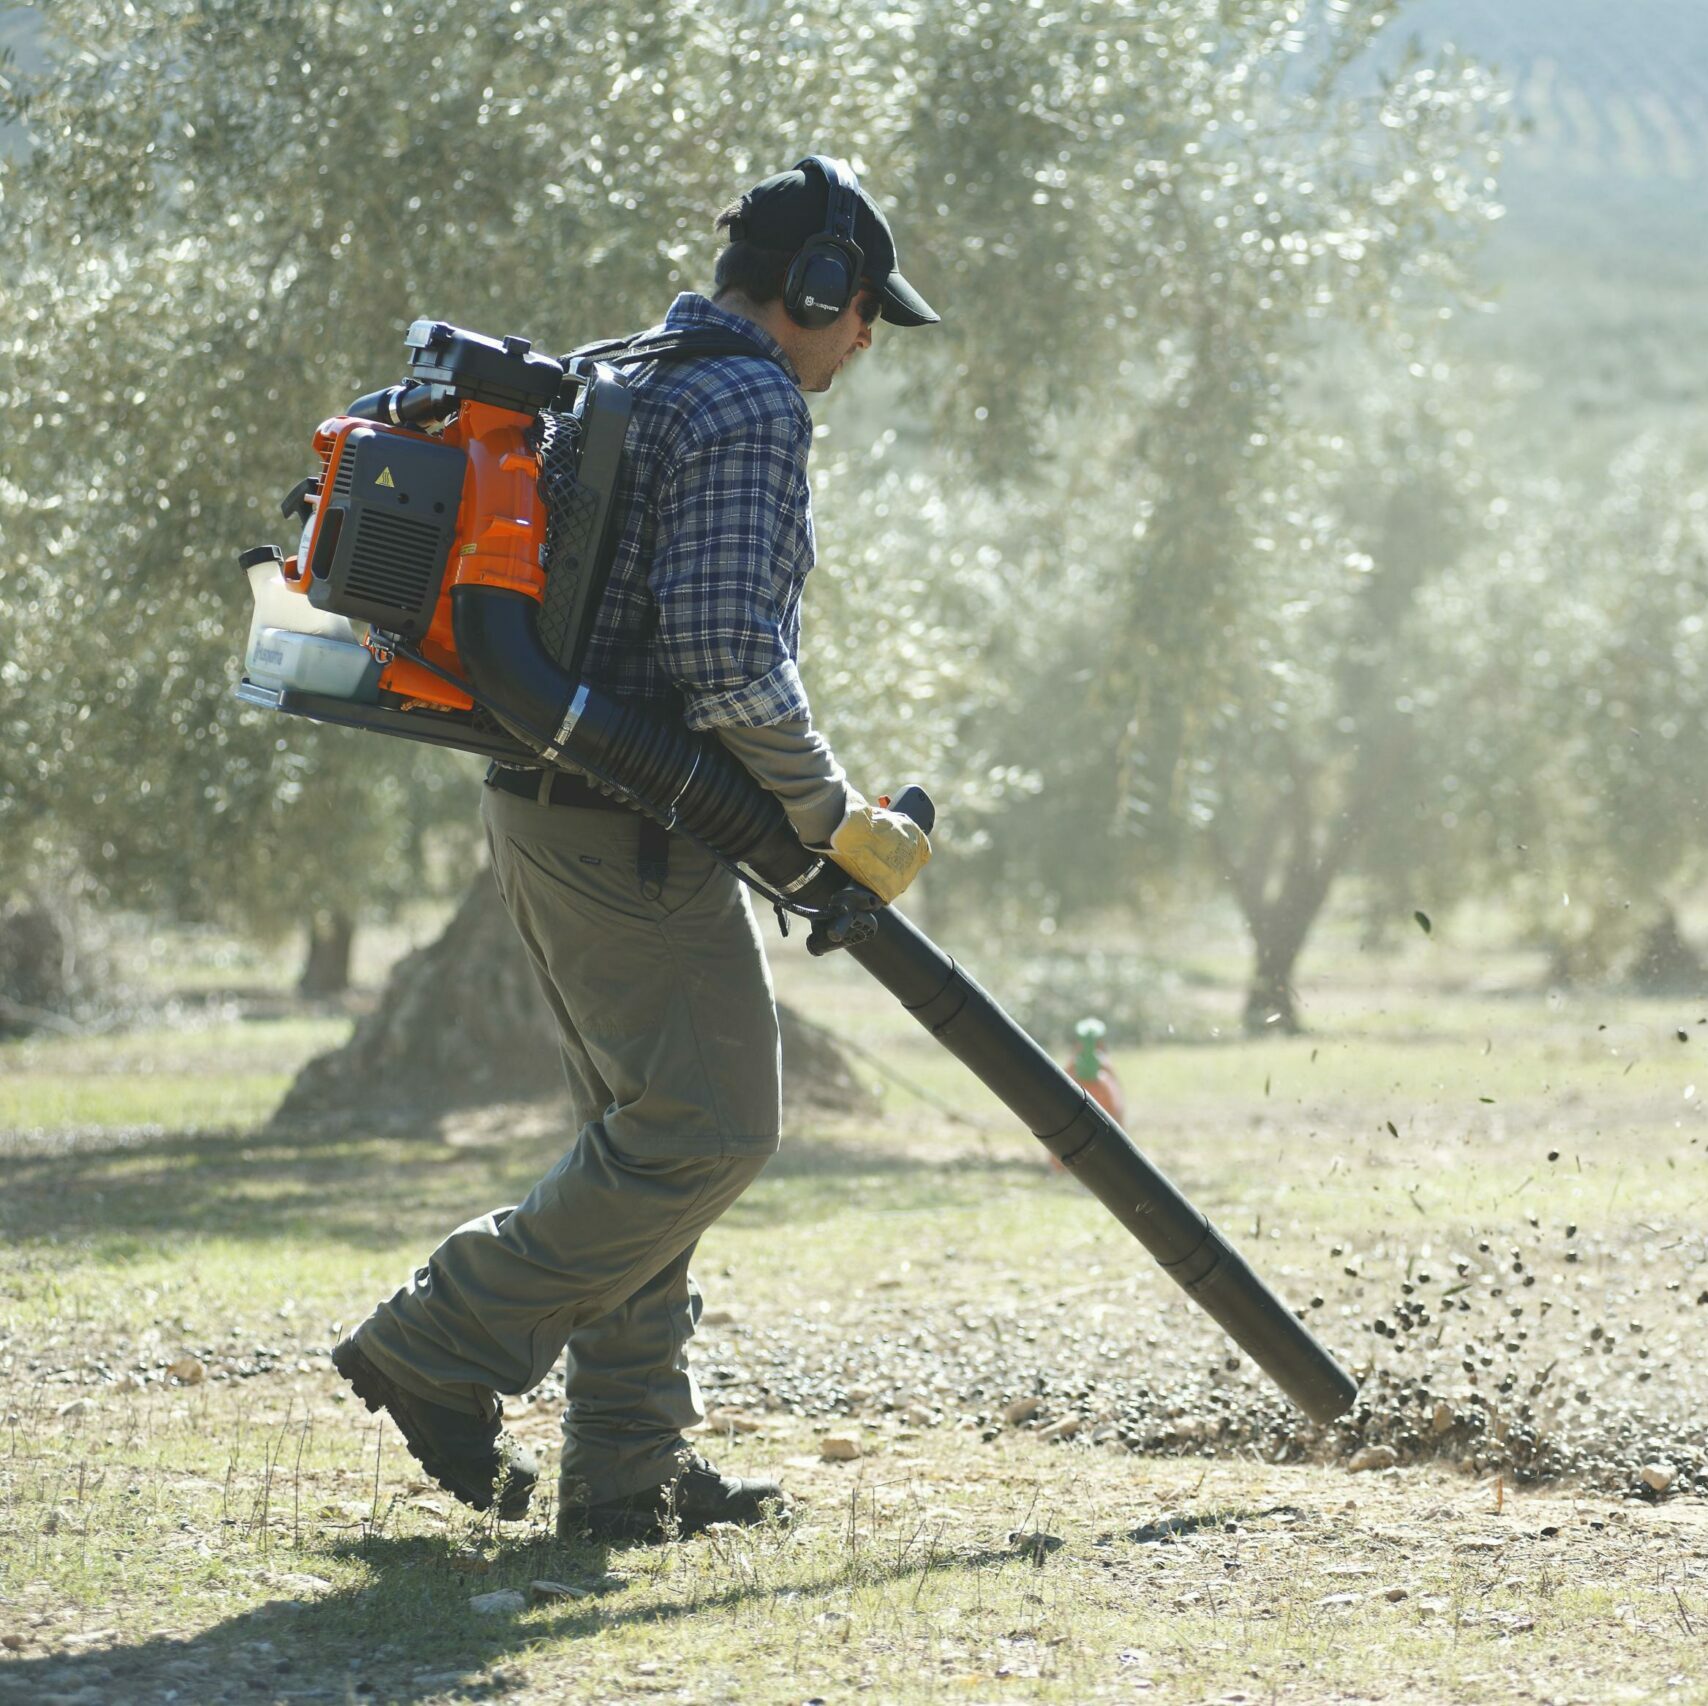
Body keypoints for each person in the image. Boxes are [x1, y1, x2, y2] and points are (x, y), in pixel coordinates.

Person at [330, 157, 938, 1542]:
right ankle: (440, 1338)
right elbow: (726, 660)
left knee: (648, 1129)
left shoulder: (634, 366)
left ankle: (627, 1470)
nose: (862, 344)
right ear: (819, 288)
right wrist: (832, 814)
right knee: (713, 1127)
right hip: (631, 828)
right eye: (863, 316)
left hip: (549, 804)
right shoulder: (747, 395)